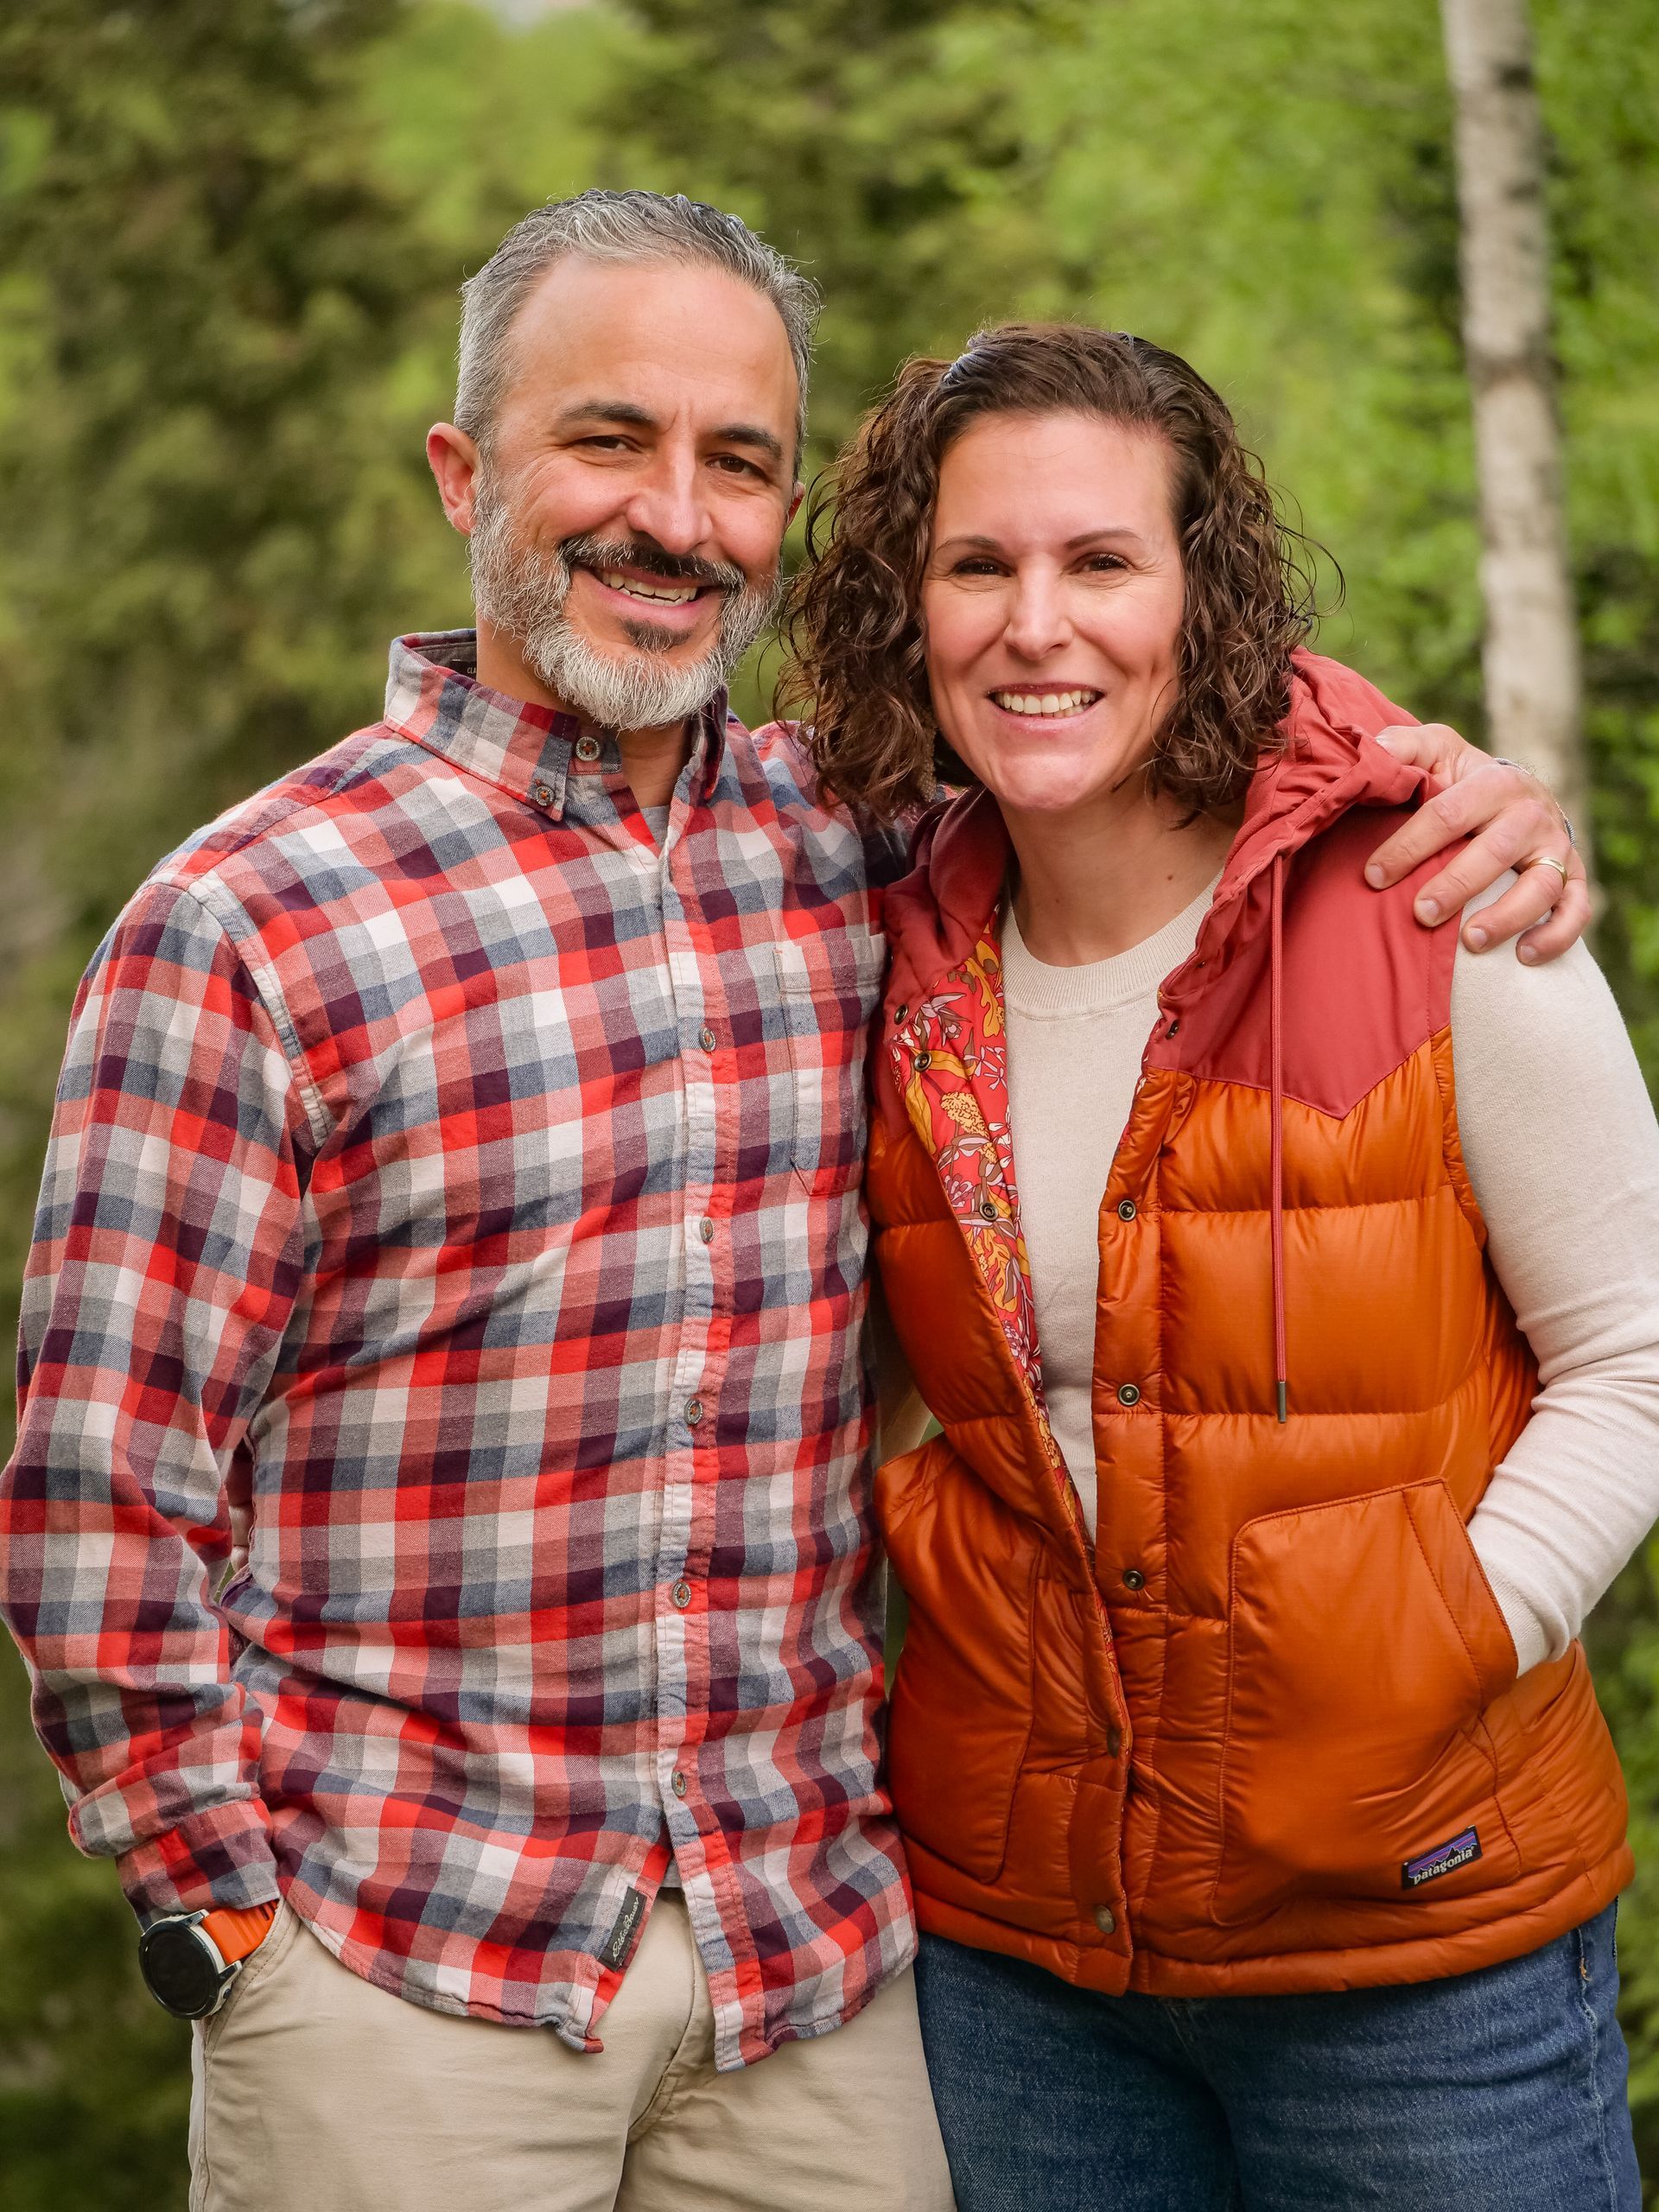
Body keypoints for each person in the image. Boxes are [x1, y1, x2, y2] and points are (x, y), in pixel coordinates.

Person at [0, 191, 1580, 2212]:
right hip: (407, 1974)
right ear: (463, 472)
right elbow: (104, 1493)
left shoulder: (851, 840)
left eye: (738, 462)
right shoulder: (250, 920)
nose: (677, 516)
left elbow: (1114, 684)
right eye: (610, 440)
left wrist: (1413, 763)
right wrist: (222, 1917)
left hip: (818, 1972)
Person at [785, 321, 1657, 2210]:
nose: (1039, 624)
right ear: (905, 608)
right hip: (1026, 1968)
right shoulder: (894, 943)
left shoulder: (1442, 901)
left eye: (1101, 560)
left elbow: (1640, 1359)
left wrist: (1438, 1643)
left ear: (1205, 591)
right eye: (977, 565)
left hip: (1415, 1952)